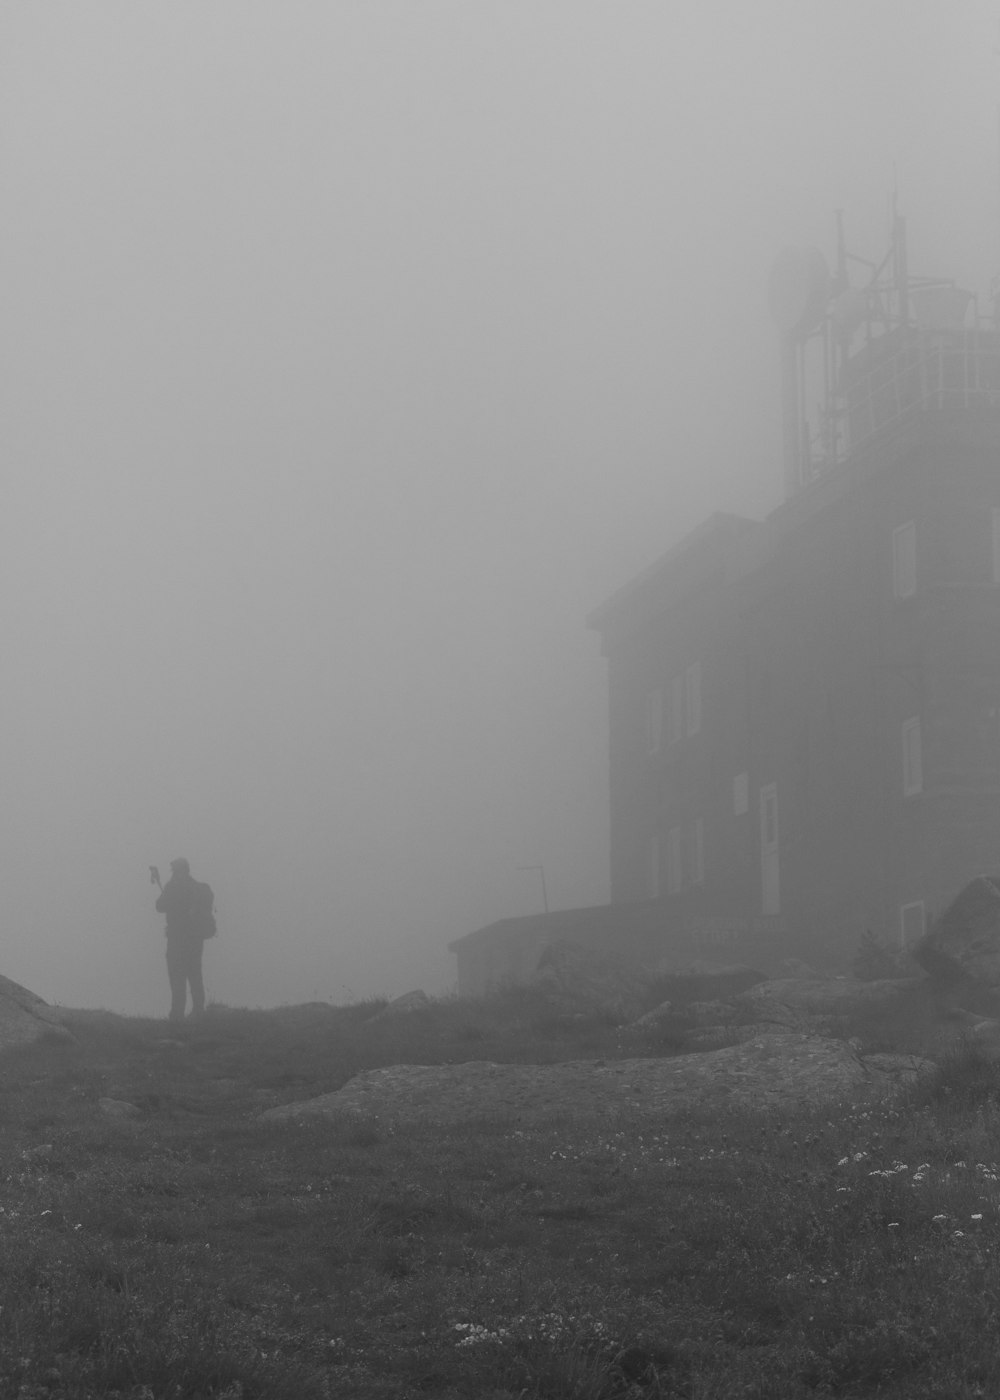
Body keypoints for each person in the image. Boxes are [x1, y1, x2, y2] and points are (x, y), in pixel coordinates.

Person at [154, 857, 214, 1022]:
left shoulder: (173, 887)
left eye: (174, 870)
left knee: (177, 976)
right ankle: (198, 1011)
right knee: (195, 973)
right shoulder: (196, 888)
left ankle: (177, 1014)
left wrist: (171, 899)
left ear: (177, 870)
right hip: (195, 939)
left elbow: (159, 906)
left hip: (177, 939)